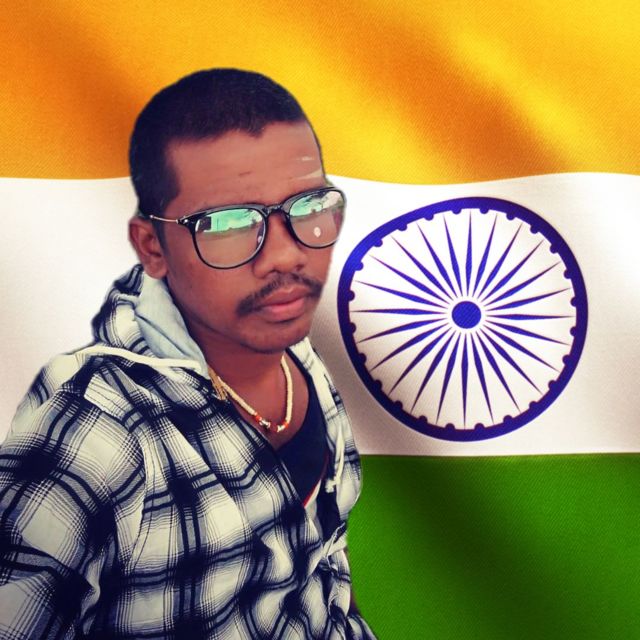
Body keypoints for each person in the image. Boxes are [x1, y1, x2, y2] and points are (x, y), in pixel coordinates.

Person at [0, 69, 375, 639]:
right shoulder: (98, 434)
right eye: (226, 223)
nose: (285, 255)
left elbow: (324, 569)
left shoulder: (296, 351)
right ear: (152, 247)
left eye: (308, 206)